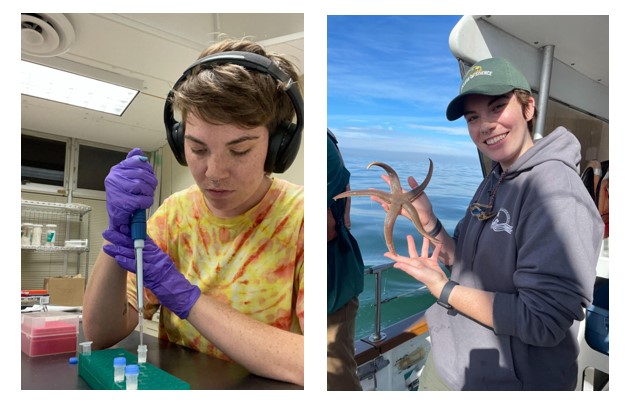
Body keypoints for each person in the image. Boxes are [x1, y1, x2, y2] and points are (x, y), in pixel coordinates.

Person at [82, 38, 304, 386]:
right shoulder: (173, 215)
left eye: (240, 150)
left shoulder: (305, 220)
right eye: (198, 148)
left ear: (279, 147)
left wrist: (186, 298)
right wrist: (117, 233)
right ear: (178, 140)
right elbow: (100, 334)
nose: (214, 173)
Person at [378, 57, 604, 390]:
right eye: (473, 117)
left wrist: (444, 289)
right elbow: (463, 259)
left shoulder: (557, 194)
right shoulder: (495, 178)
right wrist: (428, 220)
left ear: (528, 108)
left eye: (497, 108)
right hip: (452, 364)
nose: (485, 126)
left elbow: (542, 320)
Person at [327, 129, 365, 390]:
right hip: (338, 284)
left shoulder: (324, 146)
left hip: (333, 293)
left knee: (336, 380)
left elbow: (328, 226)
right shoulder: (328, 141)